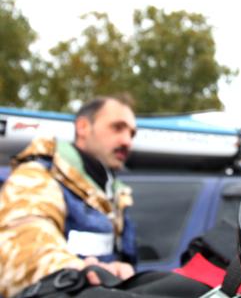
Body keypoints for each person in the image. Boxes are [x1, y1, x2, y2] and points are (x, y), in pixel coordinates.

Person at [0, 95, 138, 297]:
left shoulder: (115, 195)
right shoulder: (38, 175)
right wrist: (77, 273)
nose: (127, 141)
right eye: (117, 128)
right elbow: (21, 249)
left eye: (131, 134)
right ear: (83, 127)